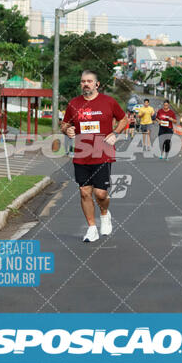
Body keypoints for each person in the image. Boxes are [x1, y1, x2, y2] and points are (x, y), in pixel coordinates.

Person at [61, 70, 128, 242]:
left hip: (102, 152)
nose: (86, 84)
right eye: (83, 81)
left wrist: (115, 133)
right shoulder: (74, 104)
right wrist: (66, 129)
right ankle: (92, 228)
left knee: (100, 194)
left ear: (96, 84)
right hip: (81, 154)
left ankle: (105, 214)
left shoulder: (108, 102)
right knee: (84, 192)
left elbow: (123, 119)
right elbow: (65, 123)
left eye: (89, 81)